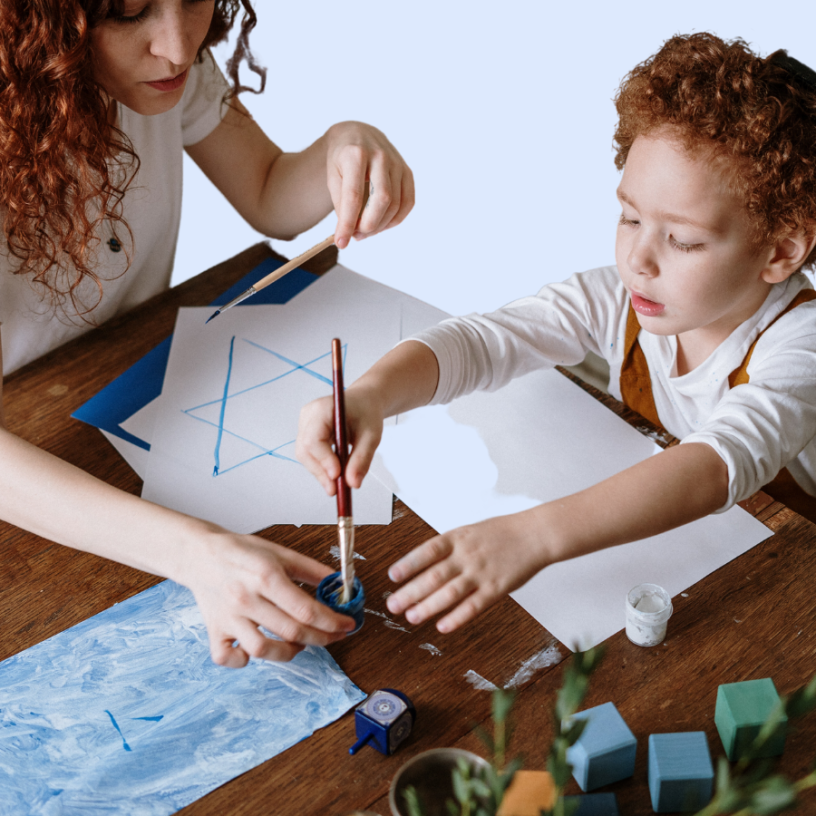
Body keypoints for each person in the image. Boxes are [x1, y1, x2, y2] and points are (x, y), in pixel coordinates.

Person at [297, 32, 816, 636]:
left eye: (683, 240)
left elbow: (716, 463)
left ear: (780, 251)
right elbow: (489, 340)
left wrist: (533, 534)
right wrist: (370, 396)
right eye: (629, 217)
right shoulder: (624, 299)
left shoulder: (801, 342)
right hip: (704, 546)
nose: (638, 259)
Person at [0, 0, 414, 666]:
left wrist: (347, 143)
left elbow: (270, 191)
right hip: (32, 486)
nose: (177, 46)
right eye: (130, 10)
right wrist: (194, 552)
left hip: (139, 408)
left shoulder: (164, 67)